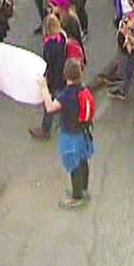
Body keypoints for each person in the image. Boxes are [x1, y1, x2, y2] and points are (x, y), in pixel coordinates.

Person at [40, 58, 95, 207]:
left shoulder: (66, 95)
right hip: (83, 131)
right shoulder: (83, 89)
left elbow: (50, 107)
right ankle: (83, 189)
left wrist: (44, 88)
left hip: (71, 134)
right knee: (83, 161)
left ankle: (77, 197)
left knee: (73, 164)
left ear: (65, 75)